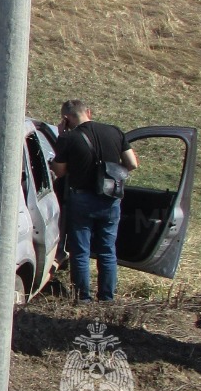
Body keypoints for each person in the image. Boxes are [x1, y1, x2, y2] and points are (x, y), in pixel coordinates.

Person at [50, 99, 139, 302]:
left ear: (66, 119)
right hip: (110, 199)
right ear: (88, 112)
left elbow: (59, 171)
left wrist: (61, 137)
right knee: (107, 250)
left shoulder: (69, 138)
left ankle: (83, 297)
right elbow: (132, 163)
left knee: (80, 251)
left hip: (81, 199)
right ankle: (107, 298)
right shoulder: (115, 131)